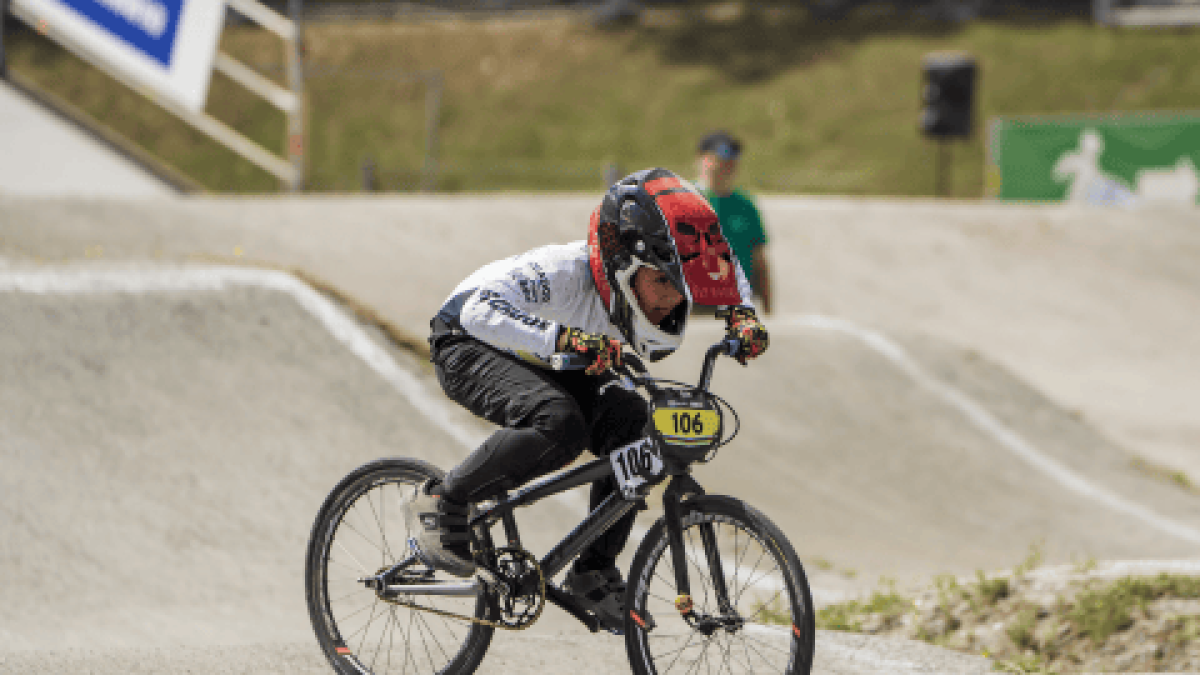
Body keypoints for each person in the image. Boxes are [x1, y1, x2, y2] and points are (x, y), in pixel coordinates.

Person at [409, 167, 769, 632]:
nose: (672, 297)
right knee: (559, 422)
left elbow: (719, 261)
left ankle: (593, 571)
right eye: (663, 282)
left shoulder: (657, 273)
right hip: (469, 340)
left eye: (679, 284)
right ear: (624, 268)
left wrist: (741, 313)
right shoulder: (561, 273)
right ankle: (444, 499)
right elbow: (477, 312)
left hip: (557, 355)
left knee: (639, 429)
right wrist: (568, 339)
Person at [695, 131, 774, 315]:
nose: (727, 167)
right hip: (694, 307)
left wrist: (769, 311)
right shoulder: (682, 199)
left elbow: (759, 262)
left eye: (732, 161)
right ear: (702, 159)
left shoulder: (745, 206)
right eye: (721, 159)